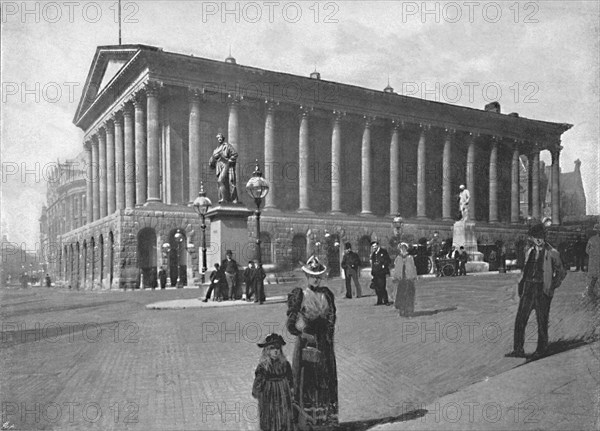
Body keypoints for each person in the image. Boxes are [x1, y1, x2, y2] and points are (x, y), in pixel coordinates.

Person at [286, 256, 338, 430]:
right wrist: (303, 332)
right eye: (312, 276)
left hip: (323, 344)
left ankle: (324, 421)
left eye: (318, 276)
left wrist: (328, 334)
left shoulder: (327, 295)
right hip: (306, 344)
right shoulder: (300, 295)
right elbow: (291, 324)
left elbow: (332, 317)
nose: (316, 279)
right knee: (307, 382)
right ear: (307, 277)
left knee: (324, 379)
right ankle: (306, 423)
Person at [506, 222, 566, 359]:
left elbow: (562, 271)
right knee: (520, 319)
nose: (538, 240)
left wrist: (552, 285)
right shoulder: (530, 251)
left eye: (540, 237)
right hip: (528, 288)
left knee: (542, 320)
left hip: (542, 290)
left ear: (544, 237)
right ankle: (518, 349)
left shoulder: (553, 253)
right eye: (535, 237)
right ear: (532, 238)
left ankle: (541, 349)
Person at [252, 333, 294, 431]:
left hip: (283, 394)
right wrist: (257, 391)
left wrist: (291, 390)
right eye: (272, 348)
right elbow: (258, 382)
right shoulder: (263, 366)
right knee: (270, 419)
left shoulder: (285, 364)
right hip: (268, 396)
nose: (275, 351)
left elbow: (290, 379)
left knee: (283, 417)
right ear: (267, 350)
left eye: (278, 348)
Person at [209, 133, 239, 204]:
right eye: (218, 138)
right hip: (219, 167)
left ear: (223, 139)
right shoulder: (215, 150)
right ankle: (224, 199)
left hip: (226, 165)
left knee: (221, 181)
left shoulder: (227, 146)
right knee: (222, 183)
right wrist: (213, 158)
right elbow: (211, 164)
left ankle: (225, 199)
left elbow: (235, 154)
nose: (220, 139)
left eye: (221, 137)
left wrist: (228, 161)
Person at [391, 243, 418, 317]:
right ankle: (401, 311)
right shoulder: (398, 258)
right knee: (400, 296)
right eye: (401, 248)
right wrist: (395, 277)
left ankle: (409, 312)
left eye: (404, 248)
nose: (403, 250)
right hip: (401, 281)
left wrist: (413, 276)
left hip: (409, 280)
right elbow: (396, 268)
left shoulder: (410, 258)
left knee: (409, 296)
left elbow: (413, 268)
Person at [370, 240, 392, 305]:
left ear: (378, 245)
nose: (374, 247)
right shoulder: (374, 254)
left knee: (382, 286)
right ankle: (379, 301)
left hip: (382, 272)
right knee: (377, 287)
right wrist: (372, 272)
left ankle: (386, 301)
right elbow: (373, 263)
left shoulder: (383, 252)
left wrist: (384, 266)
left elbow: (388, 260)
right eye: (373, 246)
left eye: (375, 246)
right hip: (375, 273)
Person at [584, 224, 600, 300]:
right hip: (595, 261)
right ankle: (591, 292)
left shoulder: (591, 239)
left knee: (594, 277)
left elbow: (587, 250)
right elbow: (587, 250)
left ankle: (591, 292)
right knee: (595, 277)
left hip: (594, 261)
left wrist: (592, 254)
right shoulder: (592, 239)